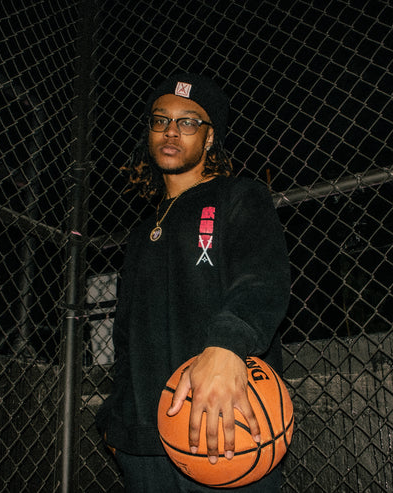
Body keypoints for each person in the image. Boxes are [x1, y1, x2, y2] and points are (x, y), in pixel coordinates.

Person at [96, 73, 291, 492]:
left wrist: (226, 345)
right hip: (142, 442)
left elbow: (261, 282)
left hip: (224, 432)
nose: (171, 131)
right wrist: (113, 420)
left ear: (209, 137)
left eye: (188, 122)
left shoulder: (239, 196)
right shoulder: (139, 233)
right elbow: (125, 335)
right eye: (161, 120)